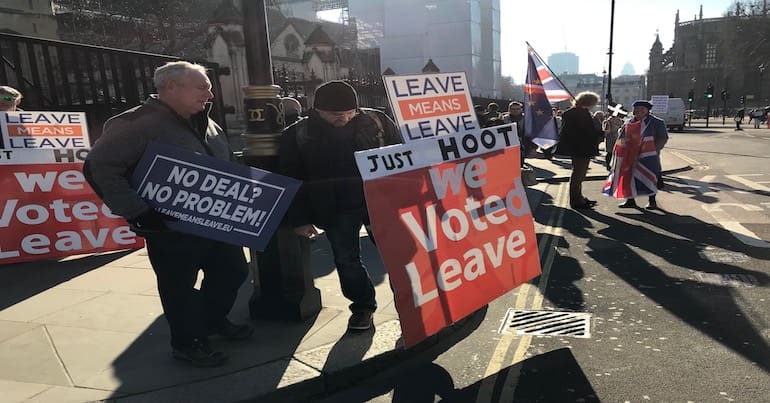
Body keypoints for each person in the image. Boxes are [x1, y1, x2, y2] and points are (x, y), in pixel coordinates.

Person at [83, 61, 252, 367]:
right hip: (169, 227)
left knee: (233, 272)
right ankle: (187, 343)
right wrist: (139, 212)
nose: (210, 93)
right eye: (202, 86)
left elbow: (223, 165)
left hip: (216, 221)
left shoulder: (206, 122)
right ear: (171, 88)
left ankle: (210, 322)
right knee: (179, 287)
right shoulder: (135, 123)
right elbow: (99, 167)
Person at [279, 80, 402, 331]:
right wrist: (300, 219)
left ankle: (407, 304)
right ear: (318, 110)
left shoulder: (376, 120)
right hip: (335, 207)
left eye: (350, 112)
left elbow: (402, 155)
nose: (345, 118)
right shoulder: (298, 134)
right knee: (347, 261)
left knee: (398, 255)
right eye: (336, 115)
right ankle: (362, 307)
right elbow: (292, 178)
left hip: (379, 201)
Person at [554, 91, 604, 209]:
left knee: (579, 174)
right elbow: (587, 131)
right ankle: (576, 201)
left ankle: (579, 198)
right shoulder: (581, 114)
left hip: (579, 147)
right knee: (578, 174)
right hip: (581, 148)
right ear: (589, 102)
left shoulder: (576, 113)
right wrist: (601, 133)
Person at [615, 100, 668, 209]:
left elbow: (663, 137)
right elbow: (622, 136)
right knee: (629, 177)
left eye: (642, 109)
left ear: (648, 111)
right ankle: (630, 200)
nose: (639, 112)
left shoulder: (657, 122)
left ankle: (652, 201)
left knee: (650, 177)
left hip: (649, 155)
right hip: (630, 155)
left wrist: (654, 149)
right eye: (636, 109)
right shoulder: (628, 122)